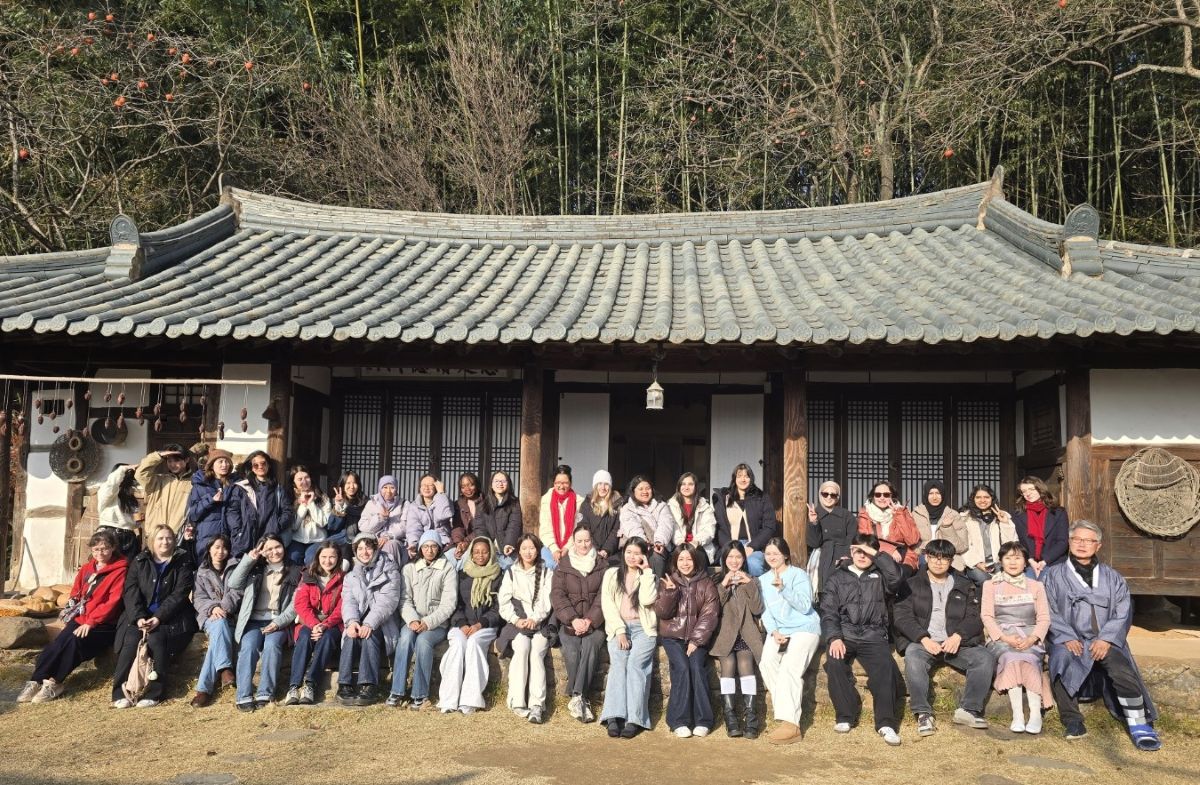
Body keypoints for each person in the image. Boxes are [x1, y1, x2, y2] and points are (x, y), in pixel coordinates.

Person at [1043, 521, 1161, 751]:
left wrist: (1106, 639)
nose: (1082, 544)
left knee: (1121, 667)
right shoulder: (1053, 575)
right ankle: (1072, 719)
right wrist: (1065, 636)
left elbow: (1123, 610)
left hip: (1104, 639)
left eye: (1088, 541)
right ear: (1069, 542)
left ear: (1098, 546)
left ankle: (1138, 723)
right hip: (1069, 637)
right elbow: (1047, 608)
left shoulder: (1113, 577)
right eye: (1077, 539)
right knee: (1060, 660)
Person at [893, 538, 994, 737]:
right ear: (926, 557)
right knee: (913, 657)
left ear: (951, 561)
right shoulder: (911, 584)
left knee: (985, 658)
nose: (938, 562)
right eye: (934, 557)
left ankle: (968, 710)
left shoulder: (965, 585)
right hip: (924, 641)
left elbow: (975, 616)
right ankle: (923, 713)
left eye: (944, 558)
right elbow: (902, 616)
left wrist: (958, 636)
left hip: (955, 642)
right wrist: (923, 638)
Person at [18, 530, 128, 704]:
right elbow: (76, 592)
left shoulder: (120, 570)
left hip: (104, 623)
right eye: (96, 549)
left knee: (74, 642)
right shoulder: (87, 569)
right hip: (81, 618)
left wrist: (91, 622)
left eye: (105, 548)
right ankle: (36, 680)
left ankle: (55, 682)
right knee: (58, 642)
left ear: (113, 548)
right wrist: (70, 610)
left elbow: (112, 602)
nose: (100, 553)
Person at [820, 533, 904, 745]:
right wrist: (834, 637)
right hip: (845, 633)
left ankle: (886, 723)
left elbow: (896, 579)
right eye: (858, 550)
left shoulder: (881, 576)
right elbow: (828, 611)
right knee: (834, 662)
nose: (862, 555)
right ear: (851, 551)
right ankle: (845, 715)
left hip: (873, 634)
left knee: (885, 667)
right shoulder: (837, 577)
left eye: (867, 552)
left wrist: (878, 555)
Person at [111, 525, 198, 708]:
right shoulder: (140, 560)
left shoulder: (182, 562)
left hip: (171, 617)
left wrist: (158, 617)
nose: (164, 542)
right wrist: (138, 617)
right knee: (131, 640)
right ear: (152, 541)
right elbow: (131, 590)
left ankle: (155, 693)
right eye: (160, 538)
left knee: (157, 640)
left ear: (174, 541)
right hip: (140, 616)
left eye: (168, 538)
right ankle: (119, 691)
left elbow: (180, 594)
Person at [981, 541, 1051, 734]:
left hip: (1030, 636)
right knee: (1011, 657)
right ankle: (1018, 715)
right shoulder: (990, 585)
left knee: (1028, 657)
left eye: (1018, 558)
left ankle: (1035, 714)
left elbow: (1044, 618)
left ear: (1025, 562)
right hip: (1001, 637)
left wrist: (1033, 638)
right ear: (1001, 561)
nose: (1013, 562)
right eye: (1008, 558)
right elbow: (987, 616)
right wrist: (1004, 638)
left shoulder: (1036, 586)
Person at [758, 537, 821, 745]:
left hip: (804, 628)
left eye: (776, 553)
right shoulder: (762, 579)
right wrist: (774, 631)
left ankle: (791, 725)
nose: (772, 557)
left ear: (785, 554)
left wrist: (784, 588)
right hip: (780, 631)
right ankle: (786, 711)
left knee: (789, 669)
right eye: (768, 554)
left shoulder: (798, 575)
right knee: (766, 663)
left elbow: (805, 606)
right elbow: (765, 611)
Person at [228, 534, 300, 711]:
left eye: (277, 547)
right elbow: (234, 583)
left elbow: (295, 605)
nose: (274, 552)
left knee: (272, 646)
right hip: (253, 620)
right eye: (269, 549)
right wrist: (249, 559)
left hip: (278, 620)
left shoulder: (296, 571)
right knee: (248, 647)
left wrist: (279, 623)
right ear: (262, 551)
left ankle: (265, 693)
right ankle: (243, 695)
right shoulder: (255, 570)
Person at [655, 542, 719, 738]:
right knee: (681, 667)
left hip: (696, 639)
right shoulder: (668, 581)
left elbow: (710, 615)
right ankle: (678, 720)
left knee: (697, 668)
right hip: (673, 636)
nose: (685, 563)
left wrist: (695, 640)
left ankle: (703, 719)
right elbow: (662, 613)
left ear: (696, 560)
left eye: (689, 559)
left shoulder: (706, 583)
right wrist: (670, 593)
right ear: (675, 561)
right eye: (681, 559)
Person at [599, 537, 659, 739]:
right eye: (629, 552)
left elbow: (648, 600)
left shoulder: (649, 576)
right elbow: (608, 605)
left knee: (635, 664)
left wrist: (647, 571)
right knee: (619, 663)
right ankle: (614, 716)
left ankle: (635, 718)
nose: (632, 557)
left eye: (637, 553)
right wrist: (619, 630)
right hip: (619, 627)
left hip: (643, 629)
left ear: (644, 555)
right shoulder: (611, 574)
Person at [390, 530, 457, 709]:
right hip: (412, 620)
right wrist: (412, 620)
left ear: (439, 548)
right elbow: (404, 599)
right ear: (420, 548)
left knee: (423, 642)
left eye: (434, 546)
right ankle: (397, 691)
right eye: (426, 546)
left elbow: (449, 603)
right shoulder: (409, 568)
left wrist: (428, 622)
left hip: (436, 624)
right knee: (405, 639)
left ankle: (420, 694)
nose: (429, 550)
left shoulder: (447, 568)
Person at [438, 536, 504, 714]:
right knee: (458, 645)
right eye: (476, 552)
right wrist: (462, 624)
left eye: (484, 552)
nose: (480, 555)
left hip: (485, 626)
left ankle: (470, 699)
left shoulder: (499, 575)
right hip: (461, 625)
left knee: (474, 643)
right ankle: (448, 699)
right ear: (471, 554)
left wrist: (479, 625)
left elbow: (498, 607)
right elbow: (456, 603)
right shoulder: (463, 575)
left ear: (490, 553)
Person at [338, 532, 402, 707]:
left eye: (368, 547)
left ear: (375, 548)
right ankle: (344, 684)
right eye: (360, 548)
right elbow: (348, 600)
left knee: (369, 635)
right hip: (358, 619)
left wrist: (369, 623)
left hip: (383, 622)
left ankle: (368, 685)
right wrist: (352, 621)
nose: (364, 552)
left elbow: (388, 601)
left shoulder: (390, 570)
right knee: (350, 634)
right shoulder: (351, 575)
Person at [550, 525, 606, 723]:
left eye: (587, 540)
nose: (583, 544)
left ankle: (577, 696)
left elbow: (603, 597)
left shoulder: (602, 565)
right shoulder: (563, 566)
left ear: (592, 541)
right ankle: (581, 698)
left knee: (591, 646)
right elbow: (558, 596)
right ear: (574, 542)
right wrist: (573, 619)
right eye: (579, 541)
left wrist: (590, 620)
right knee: (572, 650)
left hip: (595, 623)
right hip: (569, 623)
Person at [498, 533, 554, 724]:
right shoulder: (511, 572)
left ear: (538, 550)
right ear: (518, 551)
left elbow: (547, 601)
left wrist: (535, 619)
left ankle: (537, 704)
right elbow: (503, 602)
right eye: (524, 549)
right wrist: (516, 620)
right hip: (518, 625)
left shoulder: (547, 572)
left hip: (540, 624)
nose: (528, 552)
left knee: (537, 651)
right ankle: (517, 700)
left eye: (532, 548)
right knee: (521, 648)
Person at [711, 541, 764, 739]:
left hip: (746, 634)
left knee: (745, 663)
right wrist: (724, 585)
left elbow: (758, 609)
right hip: (724, 635)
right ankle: (730, 716)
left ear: (744, 559)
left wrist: (748, 584)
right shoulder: (716, 579)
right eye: (730, 557)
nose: (734, 561)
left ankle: (751, 717)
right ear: (724, 559)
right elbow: (713, 609)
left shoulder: (753, 581)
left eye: (738, 557)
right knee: (729, 663)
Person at [285, 540, 345, 705]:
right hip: (310, 622)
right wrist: (314, 624)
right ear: (318, 557)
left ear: (338, 558)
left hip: (332, 624)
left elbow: (342, 607)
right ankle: (294, 686)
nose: (327, 561)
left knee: (327, 638)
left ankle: (311, 683)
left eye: (332, 557)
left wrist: (325, 625)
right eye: (324, 557)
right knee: (304, 637)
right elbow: (300, 604)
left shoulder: (343, 578)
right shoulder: (307, 576)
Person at [188, 534, 242, 708]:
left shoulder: (235, 568)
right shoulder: (200, 573)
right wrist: (213, 608)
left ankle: (203, 691)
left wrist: (223, 608)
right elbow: (198, 598)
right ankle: (225, 669)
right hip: (209, 616)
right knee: (218, 624)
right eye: (217, 547)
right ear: (209, 549)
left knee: (215, 644)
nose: (220, 551)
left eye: (224, 547)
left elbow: (237, 592)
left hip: (230, 615)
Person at [713, 463, 777, 578]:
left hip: (753, 545)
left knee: (754, 564)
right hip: (730, 544)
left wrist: (753, 546)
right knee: (729, 564)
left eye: (746, 476)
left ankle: (754, 594)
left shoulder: (761, 498)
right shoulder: (724, 498)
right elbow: (719, 527)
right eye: (739, 476)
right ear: (734, 478)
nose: (743, 479)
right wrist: (730, 547)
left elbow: (769, 526)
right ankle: (732, 594)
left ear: (751, 478)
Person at [857, 480, 920, 579]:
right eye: (878, 494)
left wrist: (899, 514)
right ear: (873, 497)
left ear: (892, 496)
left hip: (904, 558)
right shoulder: (866, 514)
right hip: (876, 556)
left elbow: (912, 540)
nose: (882, 497)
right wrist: (889, 550)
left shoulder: (903, 511)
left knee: (899, 577)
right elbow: (866, 540)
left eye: (886, 494)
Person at [958, 483, 1018, 585]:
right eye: (978, 497)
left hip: (999, 562)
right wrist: (977, 563)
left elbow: (1011, 543)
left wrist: (1005, 523)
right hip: (975, 563)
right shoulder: (964, 518)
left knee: (1008, 579)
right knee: (985, 580)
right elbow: (964, 545)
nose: (982, 500)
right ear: (973, 499)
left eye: (986, 497)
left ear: (992, 499)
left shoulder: (1001, 516)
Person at [231, 451, 288, 559]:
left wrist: (277, 525)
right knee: (243, 567)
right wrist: (238, 530)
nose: (260, 467)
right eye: (256, 465)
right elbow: (233, 511)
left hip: (270, 535)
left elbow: (287, 510)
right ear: (251, 468)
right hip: (246, 535)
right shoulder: (242, 487)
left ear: (268, 465)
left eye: (263, 463)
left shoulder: (278, 488)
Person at [805, 480, 857, 597]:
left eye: (833, 495)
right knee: (824, 592)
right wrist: (814, 523)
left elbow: (852, 538)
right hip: (822, 556)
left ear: (837, 497)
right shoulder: (814, 513)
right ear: (820, 494)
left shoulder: (846, 515)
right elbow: (813, 543)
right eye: (825, 494)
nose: (829, 497)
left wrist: (847, 555)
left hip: (843, 554)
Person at [185, 449, 239, 559]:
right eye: (220, 461)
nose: (224, 465)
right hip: (206, 538)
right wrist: (210, 500)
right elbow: (193, 514)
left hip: (228, 539)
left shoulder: (235, 485)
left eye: (227, 462)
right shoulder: (200, 486)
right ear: (211, 465)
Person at [1011, 476, 1069, 577]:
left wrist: (1045, 561)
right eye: (1024, 491)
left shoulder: (1058, 512)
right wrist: (1030, 560)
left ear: (1040, 489)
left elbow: (1063, 542)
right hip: (1028, 561)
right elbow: (1017, 542)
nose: (1028, 494)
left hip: (1052, 561)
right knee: (1029, 584)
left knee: (1046, 581)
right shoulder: (1017, 514)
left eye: (1031, 489)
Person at [618, 475, 675, 577]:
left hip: (659, 546)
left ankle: (656, 589)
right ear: (633, 491)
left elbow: (666, 525)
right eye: (640, 489)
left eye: (647, 488)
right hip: (638, 546)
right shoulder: (627, 508)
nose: (645, 492)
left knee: (656, 557)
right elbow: (632, 528)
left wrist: (659, 542)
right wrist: (643, 543)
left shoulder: (661, 505)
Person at [134, 443, 194, 533]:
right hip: (155, 534)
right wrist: (158, 455)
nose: (173, 464)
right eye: (169, 461)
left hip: (179, 535)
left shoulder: (194, 482)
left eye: (176, 460)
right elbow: (140, 474)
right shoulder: (158, 480)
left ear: (186, 460)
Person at [471, 471, 523, 570]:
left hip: (506, 548)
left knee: (509, 569)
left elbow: (514, 525)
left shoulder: (514, 503)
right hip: (488, 549)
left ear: (508, 483)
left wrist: (509, 543)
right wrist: (487, 545)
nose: (500, 484)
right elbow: (479, 527)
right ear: (491, 484)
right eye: (497, 481)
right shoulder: (482, 504)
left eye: (503, 481)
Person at [910, 480, 968, 566]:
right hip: (922, 556)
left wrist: (947, 528)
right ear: (926, 495)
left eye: (938, 493)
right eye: (931, 493)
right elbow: (909, 542)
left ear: (943, 495)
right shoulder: (916, 514)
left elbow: (962, 547)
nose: (934, 497)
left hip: (947, 557)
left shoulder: (953, 515)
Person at [666, 472, 717, 569]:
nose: (686, 487)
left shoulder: (705, 506)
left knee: (698, 556)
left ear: (696, 487)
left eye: (690, 484)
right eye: (683, 484)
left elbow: (709, 529)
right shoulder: (670, 506)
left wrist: (697, 541)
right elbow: (671, 527)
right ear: (679, 486)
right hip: (677, 545)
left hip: (699, 545)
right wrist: (680, 541)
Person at [285, 465, 331, 565]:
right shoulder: (289, 498)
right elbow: (293, 526)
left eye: (307, 477)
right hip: (297, 539)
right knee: (293, 558)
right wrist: (303, 505)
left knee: (311, 559)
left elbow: (323, 523)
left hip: (318, 539)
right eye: (300, 479)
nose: (304, 481)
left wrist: (310, 503)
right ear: (293, 482)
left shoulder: (323, 498)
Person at [539, 464, 584, 569]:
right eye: (558, 483)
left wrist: (567, 547)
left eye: (565, 483)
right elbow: (545, 528)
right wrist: (554, 548)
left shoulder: (579, 502)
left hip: (572, 546)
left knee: (570, 567)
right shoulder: (546, 500)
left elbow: (578, 529)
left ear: (571, 483)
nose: (561, 486)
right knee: (549, 565)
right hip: (550, 545)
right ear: (553, 483)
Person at [358, 475, 409, 567]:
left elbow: (405, 526)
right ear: (380, 488)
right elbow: (362, 526)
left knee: (391, 545)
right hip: (374, 540)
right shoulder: (371, 503)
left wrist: (388, 536)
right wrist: (380, 518)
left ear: (396, 489)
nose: (388, 491)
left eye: (392, 488)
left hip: (396, 540)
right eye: (385, 487)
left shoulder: (404, 504)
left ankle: (390, 574)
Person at [402, 474, 454, 560]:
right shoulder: (414, 506)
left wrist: (441, 493)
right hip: (423, 544)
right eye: (423, 485)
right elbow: (413, 529)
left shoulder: (445, 501)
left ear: (436, 487)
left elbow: (443, 515)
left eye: (430, 485)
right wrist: (414, 544)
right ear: (419, 488)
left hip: (443, 542)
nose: (426, 488)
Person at [96, 463, 141, 561]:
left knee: (127, 571)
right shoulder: (107, 493)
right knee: (108, 569)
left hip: (129, 536)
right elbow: (112, 485)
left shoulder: (130, 498)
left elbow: (136, 521)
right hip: (109, 534)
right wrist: (122, 469)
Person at [580, 470, 622, 563]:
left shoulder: (617, 504)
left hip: (610, 553)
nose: (603, 487)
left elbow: (616, 530)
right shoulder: (587, 504)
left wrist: (606, 550)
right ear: (595, 486)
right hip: (589, 550)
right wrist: (594, 548)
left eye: (606, 484)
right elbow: (583, 527)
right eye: (599, 484)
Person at [328, 471, 367, 558]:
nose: (352, 486)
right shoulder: (334, 501)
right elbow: (333, 527)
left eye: (354, 483)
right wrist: (339, 506)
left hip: (360, 538)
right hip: (338, 537)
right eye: (348, 483)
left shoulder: (366, 502)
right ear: (342, 485)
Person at [449, 472, 484, 559]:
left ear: (476, 485)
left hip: (481, 541)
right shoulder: (458, 504)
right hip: (462, 542)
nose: (467, 489)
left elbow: (483, 528)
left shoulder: (486, 503)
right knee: (450, 557)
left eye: (470, 485)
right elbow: (457, 526)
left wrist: (466, 542)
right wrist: (459, 543)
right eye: (463, 487)